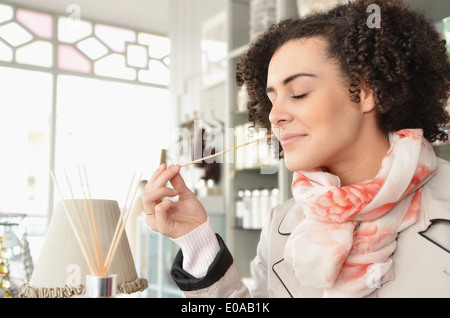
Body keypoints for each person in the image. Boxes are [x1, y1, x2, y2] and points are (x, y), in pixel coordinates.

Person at [143, 0, 450, 297]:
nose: (275, 116)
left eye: (298, 93)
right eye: (271, 98)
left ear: (367, 91)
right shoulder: (282, 224)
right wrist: (197, 240)